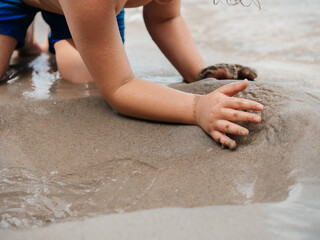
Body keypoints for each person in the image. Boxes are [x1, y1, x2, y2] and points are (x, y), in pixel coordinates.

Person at [0, 0, 263, 149]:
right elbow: (119, 87)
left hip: (83, 9)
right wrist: (197, 108)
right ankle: (23, 35)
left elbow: (165, 19)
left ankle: (47, 38)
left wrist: (199, 75)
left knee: (83, 73)